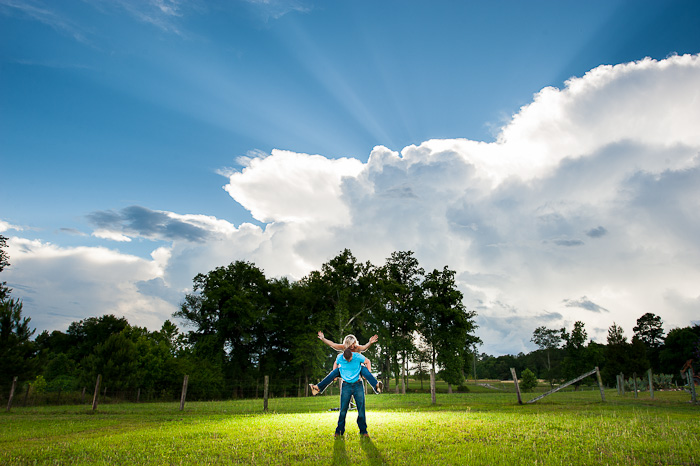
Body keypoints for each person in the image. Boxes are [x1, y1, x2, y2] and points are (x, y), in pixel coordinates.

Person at [309, 333, 383, 395]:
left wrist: (370, 343)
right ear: (347, 344)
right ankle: (318, 388)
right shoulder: (344, 347)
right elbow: (333, 345)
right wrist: (323, 339)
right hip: (345, 370)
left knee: (364, 369)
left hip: (356, 369)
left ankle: (376, 386)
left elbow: (364, 348)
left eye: (354, 343)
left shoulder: (357, 348)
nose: (353, 346)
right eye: (351, 344)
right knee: (334, 372)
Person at [334, 347, 370, 437]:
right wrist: (334, 373)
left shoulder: (357, 356)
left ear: (352, 355)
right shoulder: (340, 357)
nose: (348, 360)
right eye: (347, 359)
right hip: (346, 385)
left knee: (361, 409)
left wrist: (368, 374)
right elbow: (335, 363)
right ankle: (339, 430)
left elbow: (367, 361)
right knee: (343, 409)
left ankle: (363, 431)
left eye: (349, 359)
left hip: (358, 385)